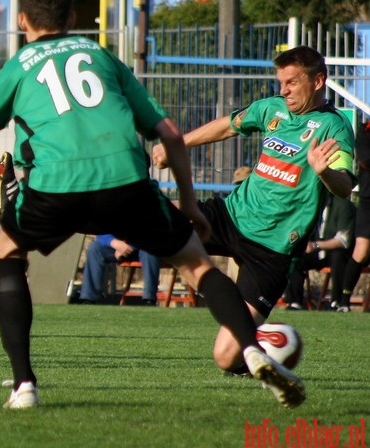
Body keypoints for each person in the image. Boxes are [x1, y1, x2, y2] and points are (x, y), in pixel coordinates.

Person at [0, 0, 304, 410]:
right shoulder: (101, 55)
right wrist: (190, 205)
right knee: (196, 264)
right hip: (125, 180)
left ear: (22, 19)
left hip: (56, 184)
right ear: (73, 18)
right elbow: (171, 135)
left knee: (8, 252)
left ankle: (24, 385)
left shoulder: (18, 67)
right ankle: (252, 351)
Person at [152, 45, 355, 374]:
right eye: (280, 82)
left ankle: (281, 343)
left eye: (292, 82)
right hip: (231, 216)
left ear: (319, 81)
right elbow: (228, 126)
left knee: (226, 358)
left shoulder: (335, 128)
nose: (283, 90)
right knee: (153, 216)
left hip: (273, 248)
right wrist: (177, 143)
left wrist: (324, 172)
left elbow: (344, 186)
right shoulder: (271, 109)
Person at [284, 193, 355, 311]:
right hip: (314, 252)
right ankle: (294, 302)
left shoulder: (343, 205)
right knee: (294, 257)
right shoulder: (309, 204)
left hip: (334, 252)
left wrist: (316, 245)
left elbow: (344, 240)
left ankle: (337, 302)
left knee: (338, 257)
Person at [79, 235, 161, 305]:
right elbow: (101, 232)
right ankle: (88, 299)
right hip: (117, 246)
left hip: (145, 246)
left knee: (150, 250)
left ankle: (149, 300)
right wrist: (114, 243)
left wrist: (128, 247)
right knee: (95, 248)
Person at [340, 118, 370, 310]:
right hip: (368, 199)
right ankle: (343, 301)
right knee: (362, 250)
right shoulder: (365, 130)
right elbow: (366, 159)